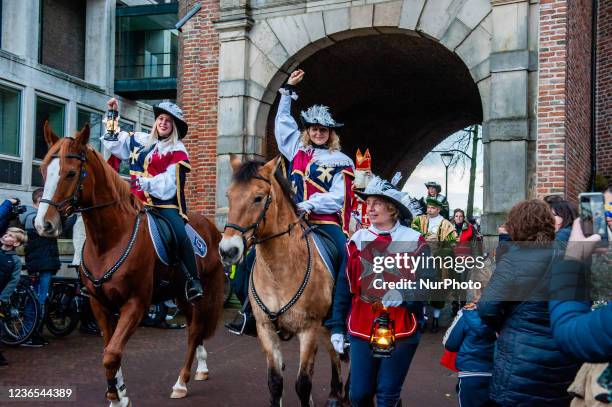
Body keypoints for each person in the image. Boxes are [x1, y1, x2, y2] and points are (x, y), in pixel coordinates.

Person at [226, 69, 355, 335]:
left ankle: (340, 321)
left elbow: (339, 196)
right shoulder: (297, 149)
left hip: (324, 222)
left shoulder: (342, 160)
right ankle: (250, 313)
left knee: (346, 258)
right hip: (290, 221)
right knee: (250, 260)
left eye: (324, 130)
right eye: (314, 128)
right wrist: (287, 91)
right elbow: (282, 121)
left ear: (331, 133)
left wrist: (310, 204)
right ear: (307, 130)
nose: (318, 133)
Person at [330, 174, 425, 406]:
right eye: (368, 204)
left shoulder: (414, 239)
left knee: (387, 394)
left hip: (401, 325)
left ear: (392, 209)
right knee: (359, 394)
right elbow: (344, 286)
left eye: (376, 204)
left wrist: (404, 294)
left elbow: (426, 284)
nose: (369, 209)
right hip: (362, 322)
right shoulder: (357, 240)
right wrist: (337, 327)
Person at [478, 199, 581, 406]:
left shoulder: (513, 258)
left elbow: (488, 307)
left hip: (520, 357)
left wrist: (501, 325)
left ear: (517, 225)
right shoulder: (571, 257)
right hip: (562, 355)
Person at [102, 98, 203, 302]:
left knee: (179, 234)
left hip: (163, 205)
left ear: (173, 126)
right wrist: (112, 114)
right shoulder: (139, 139)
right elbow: (113, 142)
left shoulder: (177, 149)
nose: (163, 122)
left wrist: (144, 182)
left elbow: (169, 184)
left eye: (168, 120)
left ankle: (193, 281)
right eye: (160, 118)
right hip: (134, 202)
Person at [19, 188, 75, 347]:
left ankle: (35, 333)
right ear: (40, 199)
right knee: (37, 300)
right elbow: (51, 228)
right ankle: (28, 334)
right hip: (40, 265)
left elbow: (59, 228)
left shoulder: (42, 217)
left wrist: (71, 215)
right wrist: (68, 216)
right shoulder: (32, 217)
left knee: (41, 299)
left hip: (46, 265)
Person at [443, 290, 495, 407]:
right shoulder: (509, 313)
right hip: (499, 373)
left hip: (470, 372)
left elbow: (450, 344)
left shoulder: (467, 314)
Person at [412, 198, 457, 332]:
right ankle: (423, 318)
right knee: (421, 288)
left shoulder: (446, 225)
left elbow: (453, 244)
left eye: (432, 208)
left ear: (438, 209)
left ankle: (436, 321)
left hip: (439, 262)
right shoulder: (419, 220)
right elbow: (412, 236)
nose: (429, 210)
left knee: (438, 290)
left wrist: (439, 251)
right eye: (428, 207)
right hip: (421, 260)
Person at [0, 227, 27, 366]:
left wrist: (3, 297)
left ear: (16, 243)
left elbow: (14, 280)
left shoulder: (15, 260)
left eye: (10, 235)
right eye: (6, 233)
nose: (6, 235)